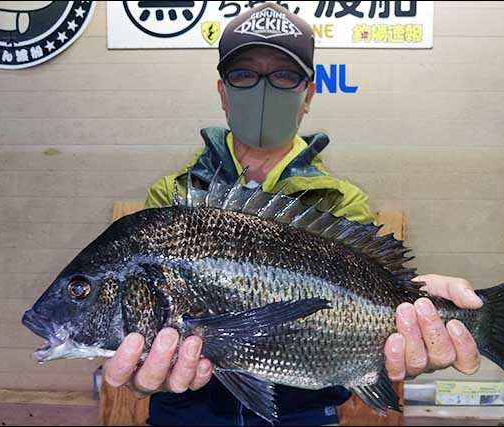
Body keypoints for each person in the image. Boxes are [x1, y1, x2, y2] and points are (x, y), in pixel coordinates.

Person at [103, 3, 483, 426]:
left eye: (284, 75)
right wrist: (140, 371)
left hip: (302, 412)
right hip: (188, 410)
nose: (263, 89)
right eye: (244, 74)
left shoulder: (341, 200)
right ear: (222, 92)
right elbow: (137, 321)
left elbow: (375, 290)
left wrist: (422, 308)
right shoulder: (175, 196)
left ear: (309, 94)